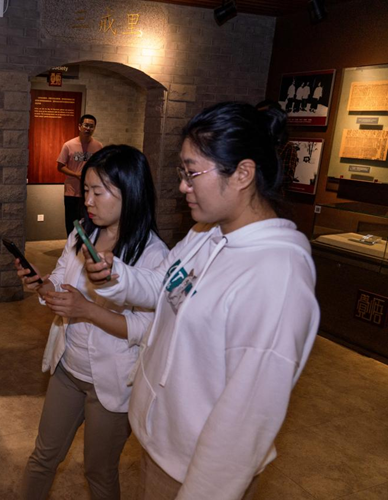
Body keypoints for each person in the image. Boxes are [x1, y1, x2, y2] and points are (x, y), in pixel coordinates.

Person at [85, 102, 320, 500]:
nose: (182, 187)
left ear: (243, 173)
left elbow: (245, 420)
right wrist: (115, 276)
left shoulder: (276, 274)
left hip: (196, 471)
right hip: (162, 445)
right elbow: (164, 286)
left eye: (192, 173)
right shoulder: (207, 234)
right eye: (183, 173)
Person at [17, 145, 168, 499]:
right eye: (86, 190)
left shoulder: (153, 254)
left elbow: (146, 329)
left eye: (98, 192)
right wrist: (42, 286)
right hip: (69, 369)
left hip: (113, 383)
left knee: (99, 472)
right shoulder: (82, 234)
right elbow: (60, 280)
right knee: (43, 457)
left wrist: (86, 310)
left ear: (129, 192)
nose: (87, 201)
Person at [57, 114, 103, 237]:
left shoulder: (98, 146)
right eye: (86, 125)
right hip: (71, 192)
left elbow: (101, 166)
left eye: (91, 126)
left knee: (88, 222)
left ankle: (85, 246)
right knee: (71, 223)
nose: (88, 128)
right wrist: (76, 174)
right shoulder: (68, 145)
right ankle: (71, 246)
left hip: (90, 192)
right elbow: (60, 166)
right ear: (79, 126)